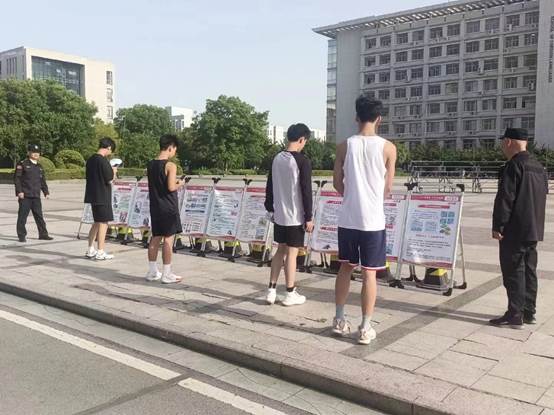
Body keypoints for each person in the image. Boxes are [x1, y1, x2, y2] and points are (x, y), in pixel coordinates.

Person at [332, 96, 396, 345]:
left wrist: (352, 196)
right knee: (370, 273)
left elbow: (337, 183)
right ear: (379, 119)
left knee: (345, 267)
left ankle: (339, 319)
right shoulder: (388, 148)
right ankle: (365, 327)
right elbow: (388, 188)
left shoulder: (343, 146)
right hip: (373, 221)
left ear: (356, 117)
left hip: (348, 218)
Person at [490, 128, 548, 329]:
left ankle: (515, 314)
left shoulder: (513, 165)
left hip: (514, 229)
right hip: (534, 228)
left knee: (514, 271)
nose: (502, 146)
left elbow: (506, 198)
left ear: (508, 142)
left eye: (502, 142)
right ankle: (529, 312)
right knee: (529, 271)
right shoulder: (538, 166)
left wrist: (498, 225)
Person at [264, 123, 313, 306]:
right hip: (295, 216)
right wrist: (309, 217)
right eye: (305, 141)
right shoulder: (302, 161)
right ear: (301, 139)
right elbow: (306, 191)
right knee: (292, 253)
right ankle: (290, 292)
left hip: (279, 215)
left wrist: (269, 207)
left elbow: (269, 185)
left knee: (280, 250)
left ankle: (271, 290)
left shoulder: (276, 158)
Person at [145, 134, 184, 284]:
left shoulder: (150, 164)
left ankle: (152, 271)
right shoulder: (170, 166)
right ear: (170, 147)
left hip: (155, 206)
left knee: (155, 238)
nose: (174, 152)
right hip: (168, 207)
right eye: (175, 149)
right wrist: (180, 183)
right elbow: (171, 187)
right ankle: (167, 273)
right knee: (168, 239)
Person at [84, 137, 117, 260]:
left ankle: (90, 249)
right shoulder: (103, 161)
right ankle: (100, 251)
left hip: (92, 195)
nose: (110, 153)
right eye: (111, 150)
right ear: (109, 147)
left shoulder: (91, 159)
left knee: (97, 222)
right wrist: (114, 171)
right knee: (103, 223)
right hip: (102, 195)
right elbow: (109, 179)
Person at [14, 144, 53, 243]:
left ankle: (43, 234)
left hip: (36, 196)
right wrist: (19, 191)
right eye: (33, 152)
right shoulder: (22, 164)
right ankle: (22, 235)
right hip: (25, 196)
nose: (36, 154)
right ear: (29, 153)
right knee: (22, 217)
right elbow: (17, 179)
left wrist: (46, 192)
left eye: (37, 152)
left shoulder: (39, 166)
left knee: (39, 216)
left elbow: (42, 181)